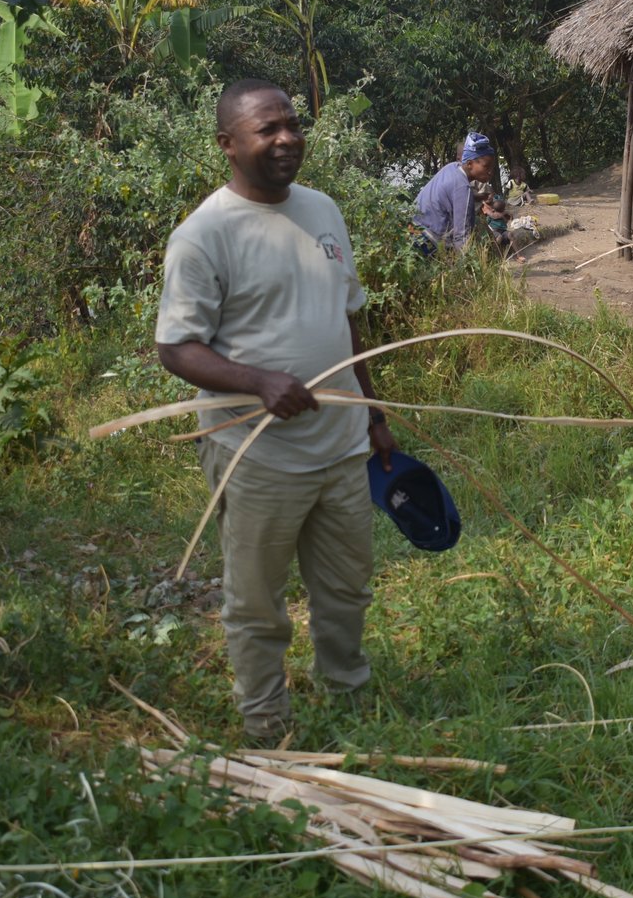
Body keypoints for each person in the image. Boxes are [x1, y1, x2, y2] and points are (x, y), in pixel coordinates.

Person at [156, 79, 399, 743]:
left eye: (293, 124)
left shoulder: (323, 209)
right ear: (227, 144)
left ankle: (349, 695)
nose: (288, 138)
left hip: (342, 445)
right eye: (268, 129)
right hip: (257, 454)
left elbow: (347, 320)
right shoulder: (204, 235)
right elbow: (175, 347)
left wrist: (373, 414)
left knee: (347, 587)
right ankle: (266, 723)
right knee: (257, 601)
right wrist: (257, 381)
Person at [413, 132, 498, 253]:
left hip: (411, 229)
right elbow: (462, 237)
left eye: (492, 167)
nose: (490, 172)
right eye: (486, 167)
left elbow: (452, 194)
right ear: (470, 164)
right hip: (426, 241)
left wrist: (476, 197)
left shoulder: (452, 167)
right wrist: (465, 260)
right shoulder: (463, 188)